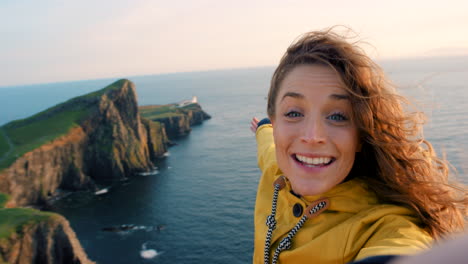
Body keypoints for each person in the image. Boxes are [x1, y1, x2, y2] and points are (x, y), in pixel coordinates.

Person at [250, 27, 467, 264]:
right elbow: (267, 142)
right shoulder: (275, 168)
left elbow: (400, 249)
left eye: (337, 116)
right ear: (276, 123)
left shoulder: (384, 225)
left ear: (361, 137)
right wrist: (262, 126)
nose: (312, 136)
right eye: (293, 113)